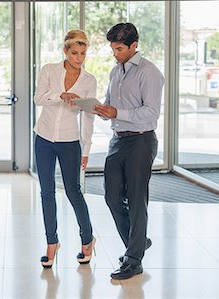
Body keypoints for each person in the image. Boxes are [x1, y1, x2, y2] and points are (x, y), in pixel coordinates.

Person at [94, 22, 164, 280]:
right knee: (112, 196)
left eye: (119, 49)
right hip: (118, 140)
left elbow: (151, 113)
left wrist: (117, 112)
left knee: (136, 200)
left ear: (135, 45)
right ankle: (138, 242)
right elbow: (111, 105)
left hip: (141, 141)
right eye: (113, 49)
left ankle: (134, 260)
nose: (115, 53)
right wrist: (102, 110)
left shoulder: (150, 73)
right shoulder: (116, 71)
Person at [34, 29, 97, 268]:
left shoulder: (89, 80)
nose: (79, 58)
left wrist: (86, 149)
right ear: (65, 51)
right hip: (44, 138)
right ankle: (52, 244)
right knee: (46, 192)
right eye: (74, 53)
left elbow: (89, 116)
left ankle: (87, 240)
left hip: (70, 142)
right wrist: (61, 95)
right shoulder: (49, 70)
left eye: (83, 53)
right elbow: (38, 98)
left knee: (74, 192)